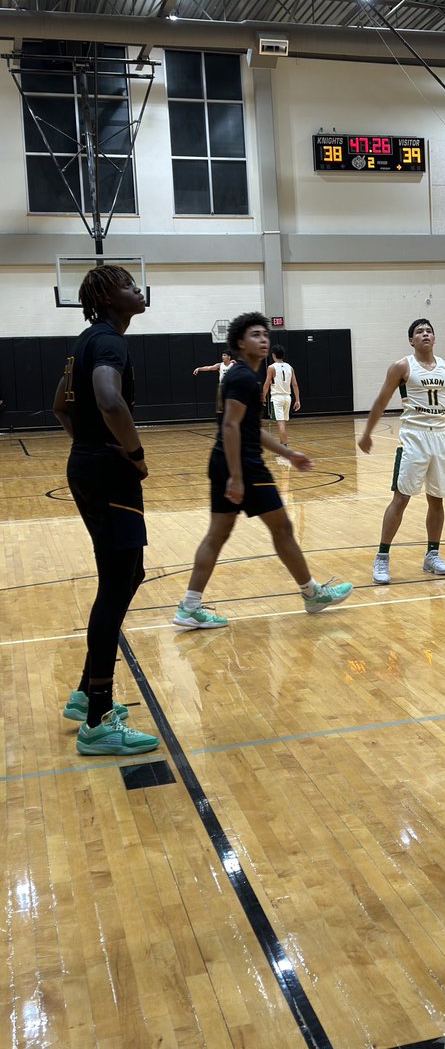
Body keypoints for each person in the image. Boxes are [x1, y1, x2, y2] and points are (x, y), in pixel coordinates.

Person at [173, 313, 352, 628]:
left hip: (226, 461)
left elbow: (249, 427)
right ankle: (312, 594)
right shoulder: (242, 378)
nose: (263, 339)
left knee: (218, 535)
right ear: (240, 343)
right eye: (255, 335)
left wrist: (289, 453)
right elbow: (230, 425)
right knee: (281, 528)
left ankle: (188, 607)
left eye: (265, 334)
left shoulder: (242, 376)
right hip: (244, 466)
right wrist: (238, 476)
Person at [52, 265, 160, 756]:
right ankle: (97, 717)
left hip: (89, 464)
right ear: (108, 297)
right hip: (109, 470)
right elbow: (109, 399)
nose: (137, 290)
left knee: (123, 576)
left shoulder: (84, 340)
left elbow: (60, 406)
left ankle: (83, 693)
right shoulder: (111, 342)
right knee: (120, 581)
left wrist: (88, 446)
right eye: (128, 285)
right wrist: (133, 454)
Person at [358, 318, 445, 585]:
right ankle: (382, 557)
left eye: (428, 331)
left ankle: (432, 555)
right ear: (411, 340)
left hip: (439, 439)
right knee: (401, 498)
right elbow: (381, 399)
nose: (425, 334)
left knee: (437, 499)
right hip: (413, 439)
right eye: (419, 332)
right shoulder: (402, 366)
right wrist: (367, 432)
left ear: (434, 338)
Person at [262, 344, 300, 446]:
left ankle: (285, 446)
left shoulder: (271, 367)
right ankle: (283, 444)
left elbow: (266, 384)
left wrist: (263, 396)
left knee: (280, 423)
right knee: (282, 423)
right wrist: (297, 400)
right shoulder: (290, 367)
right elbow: (295, 384)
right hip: (288, 397)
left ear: (273, 355)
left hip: (277, 398)